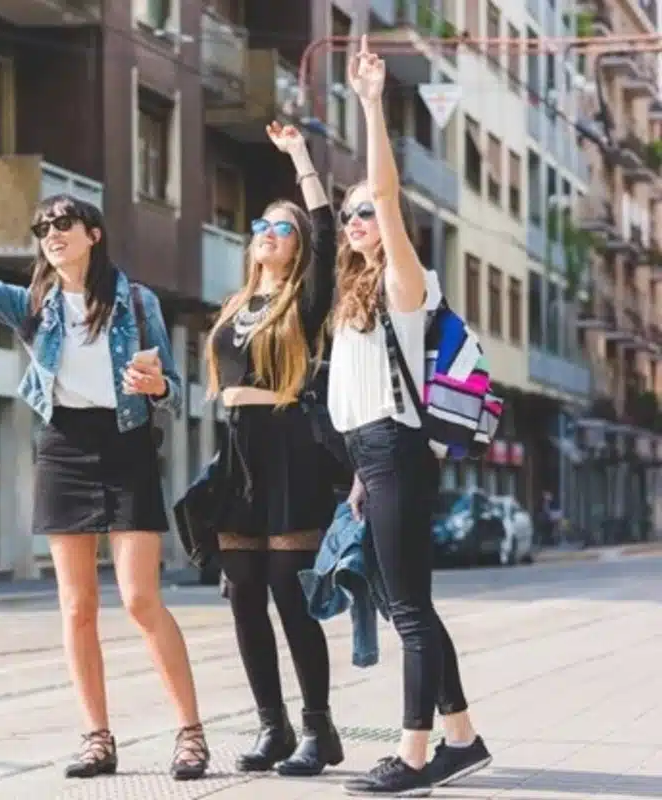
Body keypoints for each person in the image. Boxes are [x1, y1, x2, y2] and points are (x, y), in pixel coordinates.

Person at [0, 132, 209, 781]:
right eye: (43, 228)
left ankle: (191, 733)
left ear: (92, 233)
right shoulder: (32, 306)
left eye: (64, 223)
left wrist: (159, 388)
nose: (52, 234)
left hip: (124, 447)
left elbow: (175, 395)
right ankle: (97, 737)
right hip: (64, 448)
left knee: (142, 599)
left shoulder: (138, 303)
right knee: (75, 605)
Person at [329, 39, 492, 796]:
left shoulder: (406, 283)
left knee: (409, 610)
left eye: (366, 211)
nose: (357, 218)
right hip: (374, 456)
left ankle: (416, 753)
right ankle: (461, 737)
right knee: (408, 604)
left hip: (395, 449)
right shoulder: (353, 295)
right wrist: (362, 476)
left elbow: (388, 197)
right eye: (348, 213)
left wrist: (369, 104)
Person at [203, 121, 344, 777]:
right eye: (262, 224)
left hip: (288, 452)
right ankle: (273, 728)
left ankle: (321, 731)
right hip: (237, 456)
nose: (268, 232)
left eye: (282, 228)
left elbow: (327, 225)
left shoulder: (306, 301)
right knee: (241, 592)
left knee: (291, 592)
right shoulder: (235, 304)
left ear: (299, 246)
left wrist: (300, 160)